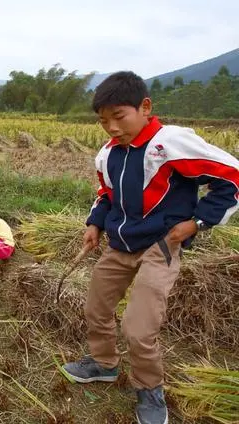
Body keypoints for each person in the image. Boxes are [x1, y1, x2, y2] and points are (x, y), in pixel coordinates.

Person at [62, 71, 239, 424]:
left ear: (145, 107)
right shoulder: (108, 154)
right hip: (120, 244)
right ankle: (104, 364)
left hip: (160, 245)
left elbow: (232, 177)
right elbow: (106, 194)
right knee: (96, 306)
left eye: (118, 116)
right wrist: (95, 224)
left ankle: (149, 390)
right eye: (103, 120)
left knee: (138, 328)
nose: (111, 127)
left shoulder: (169, 144)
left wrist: (198, 222)